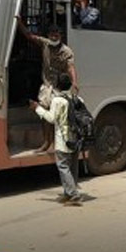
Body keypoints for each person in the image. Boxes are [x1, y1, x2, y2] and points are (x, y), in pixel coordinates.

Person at [15, 16, 78, 153]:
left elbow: (71, 67)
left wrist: (74, 82)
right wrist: (20, 23)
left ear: (60, 35)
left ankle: (58, 143)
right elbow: (29, 36)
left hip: (59, 87)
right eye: (52, 34)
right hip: (47, 86)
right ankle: (46, 142)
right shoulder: (45, 44)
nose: (54, 37)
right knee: (44, 114)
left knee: (59, 116)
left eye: (57, 34)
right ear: (48, 35)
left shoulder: (66, 51)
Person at [29, 73, 83, 206]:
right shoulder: (78, 99)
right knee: (73, 167)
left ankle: (74, 195)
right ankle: (68, 192)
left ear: (57, 86)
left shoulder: (57, 100)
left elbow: (51, 118)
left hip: (63, 140)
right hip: (76, 139)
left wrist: (38, 108)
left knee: (63, 166)